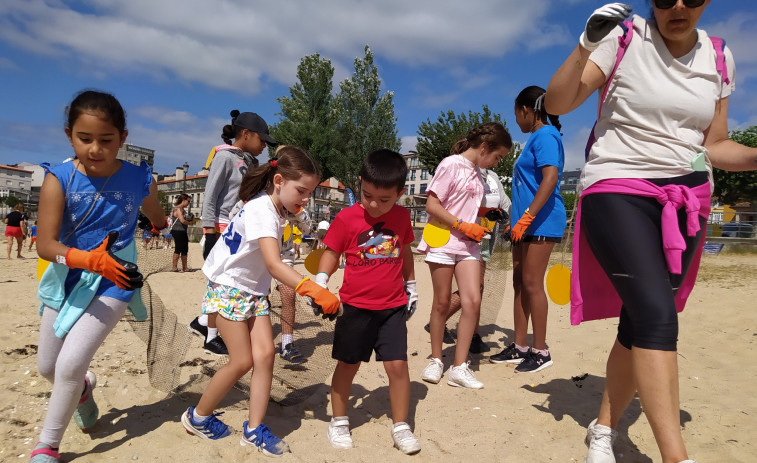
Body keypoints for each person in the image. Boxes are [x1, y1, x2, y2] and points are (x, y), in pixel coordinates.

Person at [545, 2, 756, 462]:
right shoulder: (622, 37)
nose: (677, 6)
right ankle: (677, 459)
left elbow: (715, 144)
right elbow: (557, 104)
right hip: (618, 185)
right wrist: (585, 43)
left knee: (640, 321)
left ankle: (602, 429)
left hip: (689, 199)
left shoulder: (719, 55)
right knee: (659, 316)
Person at [30, 90, 167, 463]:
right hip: (67, 276)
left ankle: (47, 446)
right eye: (84, 139)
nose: (95, 149)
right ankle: (84, 392)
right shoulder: (57, 179)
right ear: (69, 135)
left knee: (70, 364)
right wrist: (89, 260)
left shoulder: (140, 177)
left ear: (123, 138)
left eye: (106, 140)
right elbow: (45, 244)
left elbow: (157, 216)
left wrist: (158, 221)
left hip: (116, 279)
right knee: (48, 368)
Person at [180, 146, 339, 457]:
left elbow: (280, 255)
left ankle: (253, 430)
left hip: (253, 292)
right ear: (278, 180)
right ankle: (197, 417)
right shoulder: (261, 210)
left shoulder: (277, 208)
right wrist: (315, 290)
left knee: (265, 356)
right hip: (229, 289)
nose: (305, 198)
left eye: (310, 192)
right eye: (301, 191)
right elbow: (274, 264)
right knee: (242, 361)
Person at [316, 149, 421, 454]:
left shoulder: (402, 217)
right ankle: (338, 421)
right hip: (355, 307)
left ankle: (401, 426)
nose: (374, 205)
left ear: (400, 194)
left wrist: (411, 285)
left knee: (398, 367)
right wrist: (322, 280)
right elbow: (331, 252)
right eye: (367, 195)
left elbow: (405, 251)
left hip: (392, 307)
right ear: (360, 182)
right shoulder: (347, 218)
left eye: (384, 199)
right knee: (348, 364)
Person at [418, 122, 512, 389]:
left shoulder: (478, 172)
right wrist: (462, 225)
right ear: (484, 147)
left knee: (472, 300)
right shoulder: (450, 165)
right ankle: (436, 360)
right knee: (442, 301)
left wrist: (484, 215)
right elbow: (433, 205)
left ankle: (459, 367)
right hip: (444, 242)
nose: (497, 162)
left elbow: (465, 206)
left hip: (469, 245)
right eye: (497, 156)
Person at [489, 86, 566, 373]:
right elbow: (528, 187)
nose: (516, 121)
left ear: (526, 110)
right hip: (526, 222)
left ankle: (541, 350)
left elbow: (550, 180)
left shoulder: (546, 135)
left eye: (516, 114)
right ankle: (520, 346)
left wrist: (526, 218)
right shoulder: (536, 137)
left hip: (542, 221)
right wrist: (515, 220)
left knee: (533, 284)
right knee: (519, 283)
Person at [190, 110, 275, 356]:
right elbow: (212, 193)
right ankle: (211, 336)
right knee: (221, 282)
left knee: (234, 280)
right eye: (262, 140)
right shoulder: (225, 157)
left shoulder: (252, 162)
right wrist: (209, 229)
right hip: (221, 225)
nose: (263, 147)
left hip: (241, 224)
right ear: (246, 135)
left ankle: (204, 323)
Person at [436, 167, 512, 354]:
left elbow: (505, 203)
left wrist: (508, 218)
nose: (496, 161)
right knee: (473, 287)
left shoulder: (493, 177)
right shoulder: (464, 172)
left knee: (478, 287)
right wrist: (483, 212)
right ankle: (439, 321)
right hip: (465, 237)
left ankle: (473, 333)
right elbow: (456, 206)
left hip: (486, 237)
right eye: (496, 155)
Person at [170, 193, 192, 272]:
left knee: (185, 249)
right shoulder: (178, 209)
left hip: (183, 231)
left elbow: (185, 220)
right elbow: (182, 220)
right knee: (178, 248)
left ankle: (185, 267)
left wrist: (190, 219)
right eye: (188, 201)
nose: (189, 203)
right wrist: (190, 223)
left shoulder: (183, 210)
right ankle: (174, 267)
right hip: (177, 231)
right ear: (183, 200)